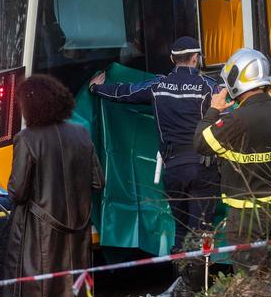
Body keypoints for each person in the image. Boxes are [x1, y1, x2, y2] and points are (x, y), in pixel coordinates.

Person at [1, 74, 104, 297]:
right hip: (79, 235)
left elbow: (17, 191)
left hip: (36, 235)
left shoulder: (27, 139)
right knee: (75, 292)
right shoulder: (82, 135)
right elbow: (99, 181)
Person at [88, 36, 221, 251]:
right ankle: (201, 278)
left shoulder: (157, 85)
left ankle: (183, 277)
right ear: (196, 58)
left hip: (174, 169)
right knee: (202, 229)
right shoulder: (209, 87)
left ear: (172, 58)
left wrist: (96, 89)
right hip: (203, 168)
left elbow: (125, 92)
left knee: (180, 230)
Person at [194, 48, 271, 264]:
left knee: (249, 276)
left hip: (244, 217)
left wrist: (213, 110)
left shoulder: (235, 120)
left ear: (237, 79)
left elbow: (200, 143)